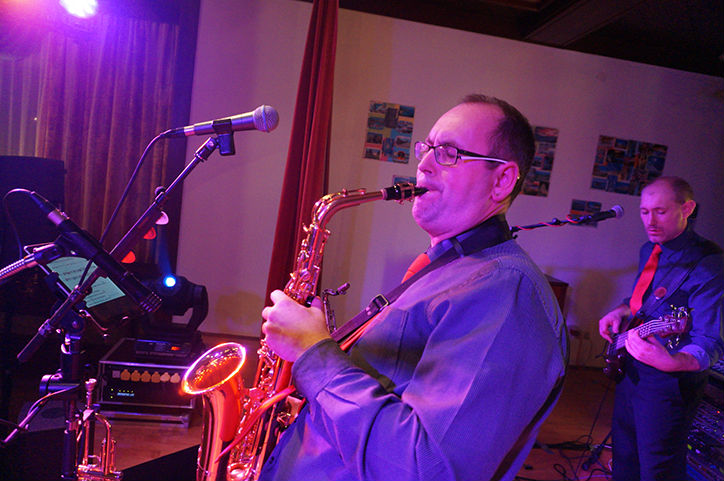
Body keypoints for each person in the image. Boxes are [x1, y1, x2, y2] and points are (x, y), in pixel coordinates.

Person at [260, 94, 569, 481]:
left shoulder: (507, 290)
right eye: (427, 148)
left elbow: (426, 468)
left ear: (502, 180)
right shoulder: (449, 268)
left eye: (449, 153)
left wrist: (314, 354)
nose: (422, 164)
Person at [598, 176, 724, 481]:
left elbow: (710, 340)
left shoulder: (709, 263)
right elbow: (645, 301)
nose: (650, 221)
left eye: (660, 211)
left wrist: (672, 362)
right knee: (625, 456)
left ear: (687, 209)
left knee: (658, 467)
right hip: (631, 365)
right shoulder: (649, 249)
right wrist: (621, 309)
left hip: (669, 381)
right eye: (644, 212)